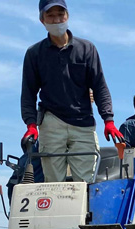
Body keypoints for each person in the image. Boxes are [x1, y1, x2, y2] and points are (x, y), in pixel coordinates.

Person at [20, 0, 123, 184]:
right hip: (51, 123)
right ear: (41, 19)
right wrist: (31, 125)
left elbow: (99, 86)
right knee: (53, 183)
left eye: (61, 14)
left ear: (68, 16)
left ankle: (84, 214)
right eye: (50, 15)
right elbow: (28, 93)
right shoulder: (34, 53)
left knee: (86, 183)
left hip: (83, 124)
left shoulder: (87, 49)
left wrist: (109, 120)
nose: (56, 19)